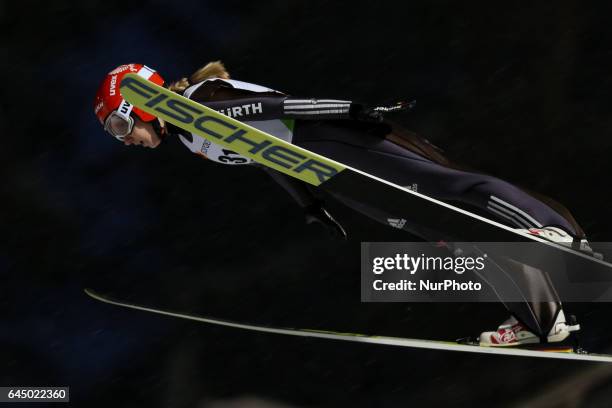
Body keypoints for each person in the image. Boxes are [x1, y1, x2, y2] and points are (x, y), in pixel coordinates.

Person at [94, 62, 584, 347]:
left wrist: (347, 109)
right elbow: (266, 154)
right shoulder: (192, 139)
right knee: (450, 233)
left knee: (449, 189)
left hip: (336, 137)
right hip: (327, 169)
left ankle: (548, 228)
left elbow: (275, 109)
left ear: (140, 105)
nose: (125, 140)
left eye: (120, 126)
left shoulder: (201, 102)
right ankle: (542, 321)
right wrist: (308, 203)